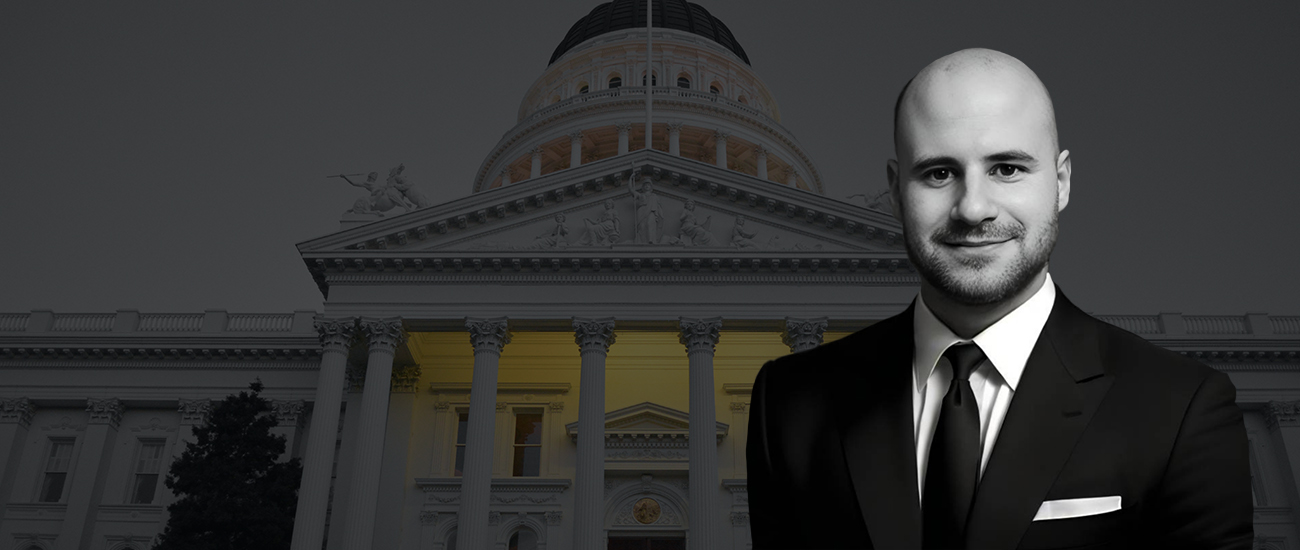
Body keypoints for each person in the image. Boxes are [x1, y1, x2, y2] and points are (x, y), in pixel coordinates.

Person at [745, 48, 1251, 549]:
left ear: (1061, 181)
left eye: (1007, 168)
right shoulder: (790, 406)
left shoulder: (1180, 406)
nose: (973, 208)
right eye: (939, 173)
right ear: (897, 192)